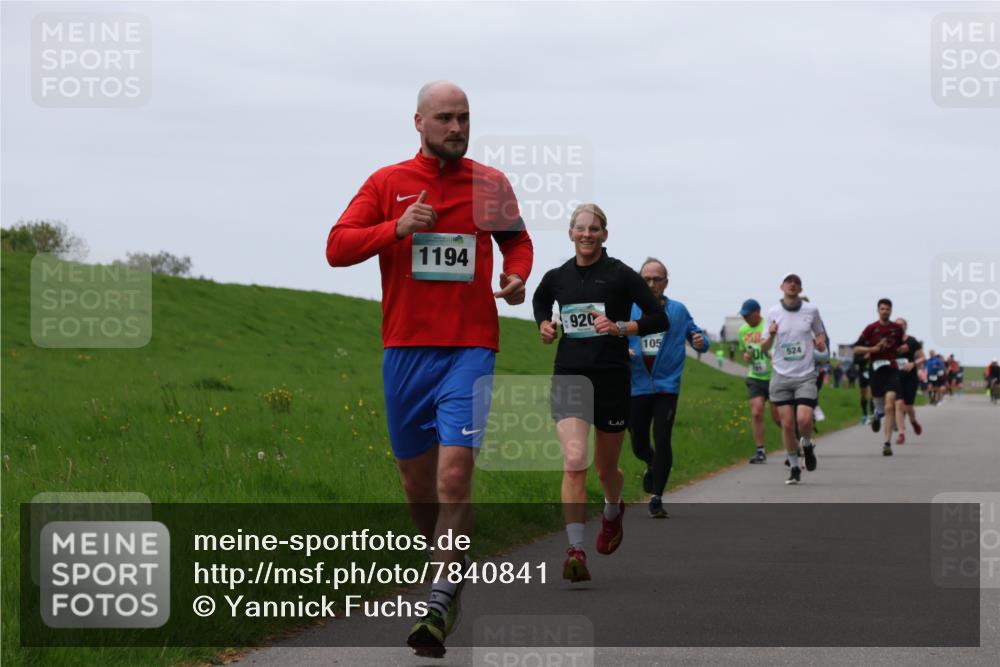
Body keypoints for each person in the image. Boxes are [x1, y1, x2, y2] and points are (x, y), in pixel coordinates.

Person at [326, 81, 534, 658]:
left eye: (464, 118)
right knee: (418, 487)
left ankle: (439, 596)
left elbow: (518, 243)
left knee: (453, 477)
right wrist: (394, 229)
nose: (457, 128)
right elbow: (336, 247)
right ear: (417, 122)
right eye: (445, 118)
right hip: (404, 352)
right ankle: (446, 560)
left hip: (470, 347)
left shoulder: (491, 184)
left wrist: (517, 277)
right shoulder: (387, 184)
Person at [533, 203, 668, 582]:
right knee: (575, 459)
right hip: (570, 376)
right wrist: (545, 324)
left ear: (605, 234)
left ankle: (613, 509)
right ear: (571, 233)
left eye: (595, 229)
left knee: (606, 468)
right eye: (581, 228)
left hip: (611, 378)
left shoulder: (621, 275)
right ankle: (575, 549)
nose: (587, 234)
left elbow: (660, 317)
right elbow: (541, 299)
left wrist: (622, 327)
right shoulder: (558, 277)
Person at [627, 258, 709, 518]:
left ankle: (657, 497)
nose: (652, 284)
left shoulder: (678, 311)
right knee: (638, 443)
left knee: (662, 439)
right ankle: (652, 464)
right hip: (637, 385)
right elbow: (612, 335)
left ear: (666, 282)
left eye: (657, 279)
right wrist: (623, 349)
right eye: (646, 279)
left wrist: (700, 341)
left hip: (666, 386)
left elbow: (700, 340)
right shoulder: (630, 310)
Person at [760, 273, 827, 484]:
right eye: (789, 282)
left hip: (805, 375)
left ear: (800, 289)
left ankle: (806, 444)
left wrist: (820, 344)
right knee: (787, 425)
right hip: (781, 375)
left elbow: (821, 335)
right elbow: (763, 347)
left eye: (796, 283)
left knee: (804, 419)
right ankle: (794, 467)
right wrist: (770, 334)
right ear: (781, 286)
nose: (792, 285)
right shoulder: (773, 312)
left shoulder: (811, 310)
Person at [853, 299, 907, 456]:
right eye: (882, 309)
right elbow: (856, 348)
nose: (885, 311)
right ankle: (876, 414)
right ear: (878, 310)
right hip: (876, 370)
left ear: (891, 311)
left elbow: (898, 346)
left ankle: (887, 443)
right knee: (879, 402)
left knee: (890, 405)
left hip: (892, 369)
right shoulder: (871, 328)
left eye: (887, 309)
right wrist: (872, 348)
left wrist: (901, 349)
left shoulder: (897, 329)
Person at [737, 298, 781, 464]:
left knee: (778, 418)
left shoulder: (768, 327)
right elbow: (744, 351)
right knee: (756, 411)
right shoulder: (743, 331)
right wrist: (746, 357)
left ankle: (796, 442)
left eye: (747, 315)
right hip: (755, 376)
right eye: (743, 316)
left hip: (774, 375)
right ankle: (760, 450)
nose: (745, 318)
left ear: (757, 312)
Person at [893, 318, 925, 442]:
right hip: (895, 376)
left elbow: (922, 358)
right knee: (899, 404)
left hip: (910, 377)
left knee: (908, 407)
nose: (899, 327)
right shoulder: (891, 341)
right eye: (896, 325)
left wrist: (913, 363)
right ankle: (901, 434)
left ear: (906, 326)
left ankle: (913, 421)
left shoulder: (912, 341)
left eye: (901, 325)